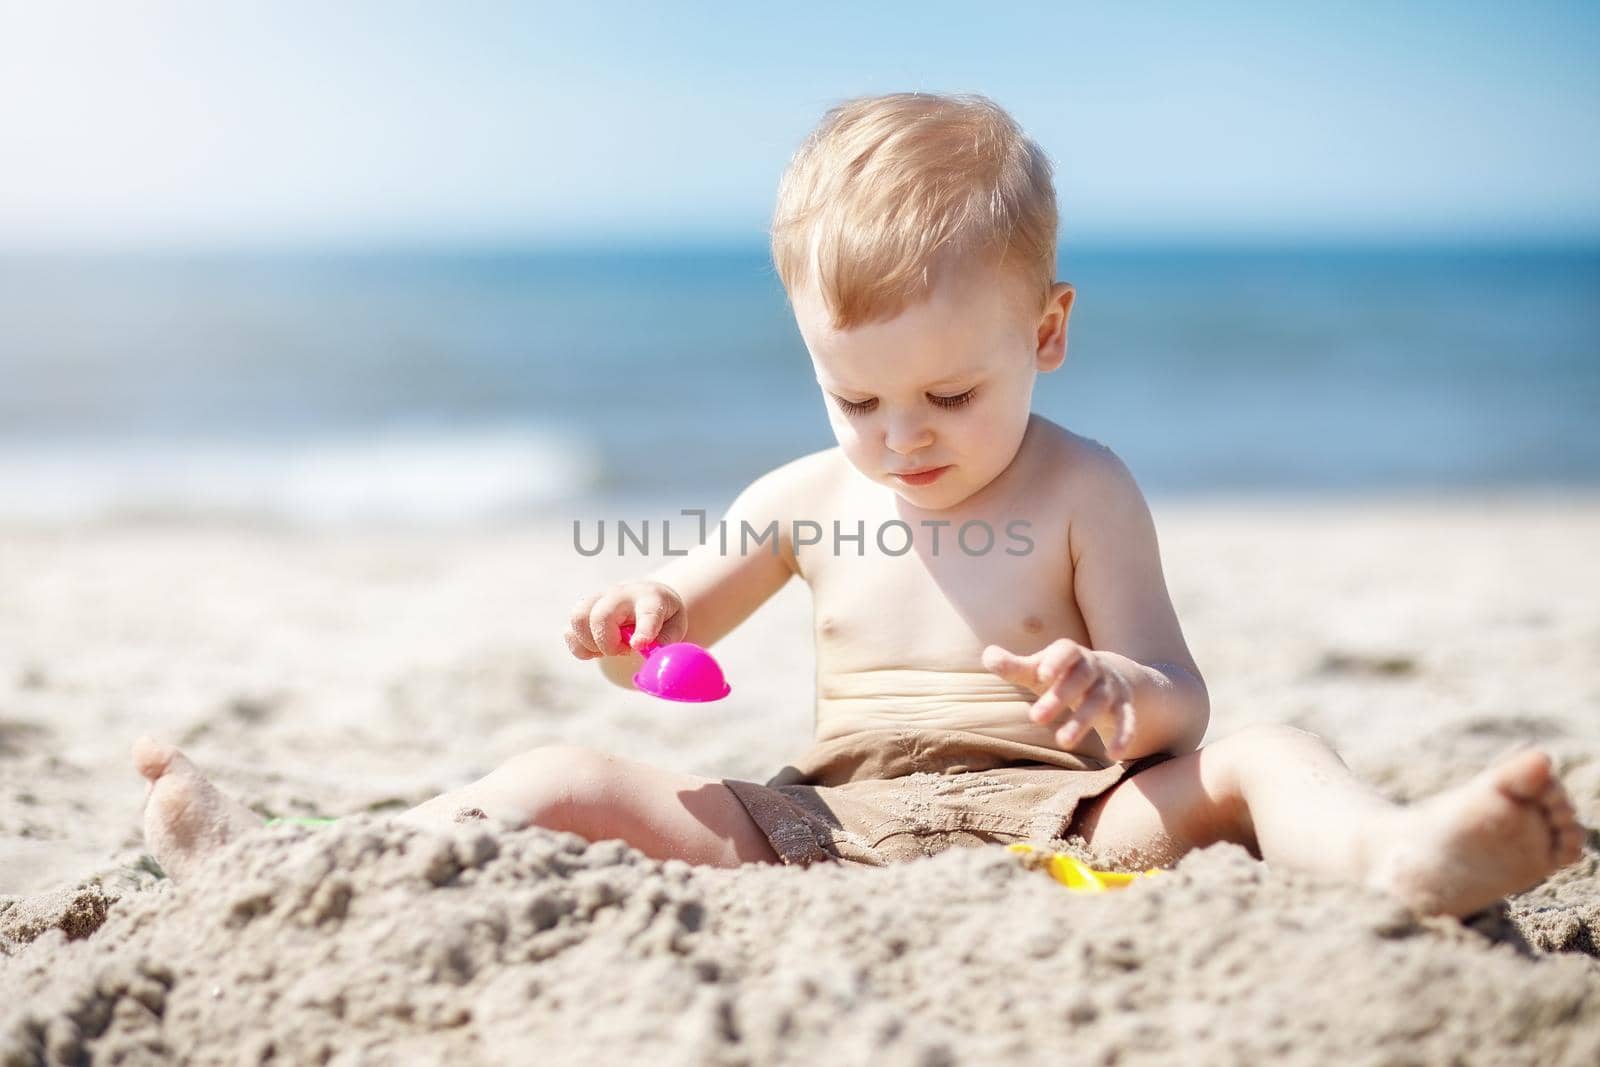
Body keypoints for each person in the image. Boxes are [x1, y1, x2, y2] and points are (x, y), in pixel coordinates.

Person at [135, 92, 1584, 917]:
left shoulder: (1085, 489)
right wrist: (641, 614)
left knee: (1269, 752)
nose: (901, 440)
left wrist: (1110, 693)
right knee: (565, 773)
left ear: (1049, 334)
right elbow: (685, 611)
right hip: (822, 826)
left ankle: (1404, 857)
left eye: (950, 398)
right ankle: (302, 865)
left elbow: (1182, 703)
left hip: (1067, 818)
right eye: (857, 399)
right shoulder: (805, 494)